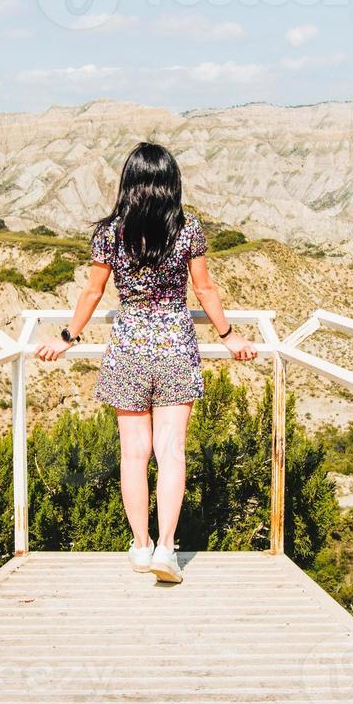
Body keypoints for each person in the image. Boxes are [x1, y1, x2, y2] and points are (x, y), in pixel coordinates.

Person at [35, 142, 256, 584]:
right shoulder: (188, 228)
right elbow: (205, 291)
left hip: (129, 351)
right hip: (175, 348)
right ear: (172, 183)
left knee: (133, 454)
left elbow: (93, 293)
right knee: (171, 453)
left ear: (129, 182)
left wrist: (67, 337)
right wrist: (230, 337)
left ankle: (140, 546)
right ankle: (166, 550)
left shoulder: (109, 233)